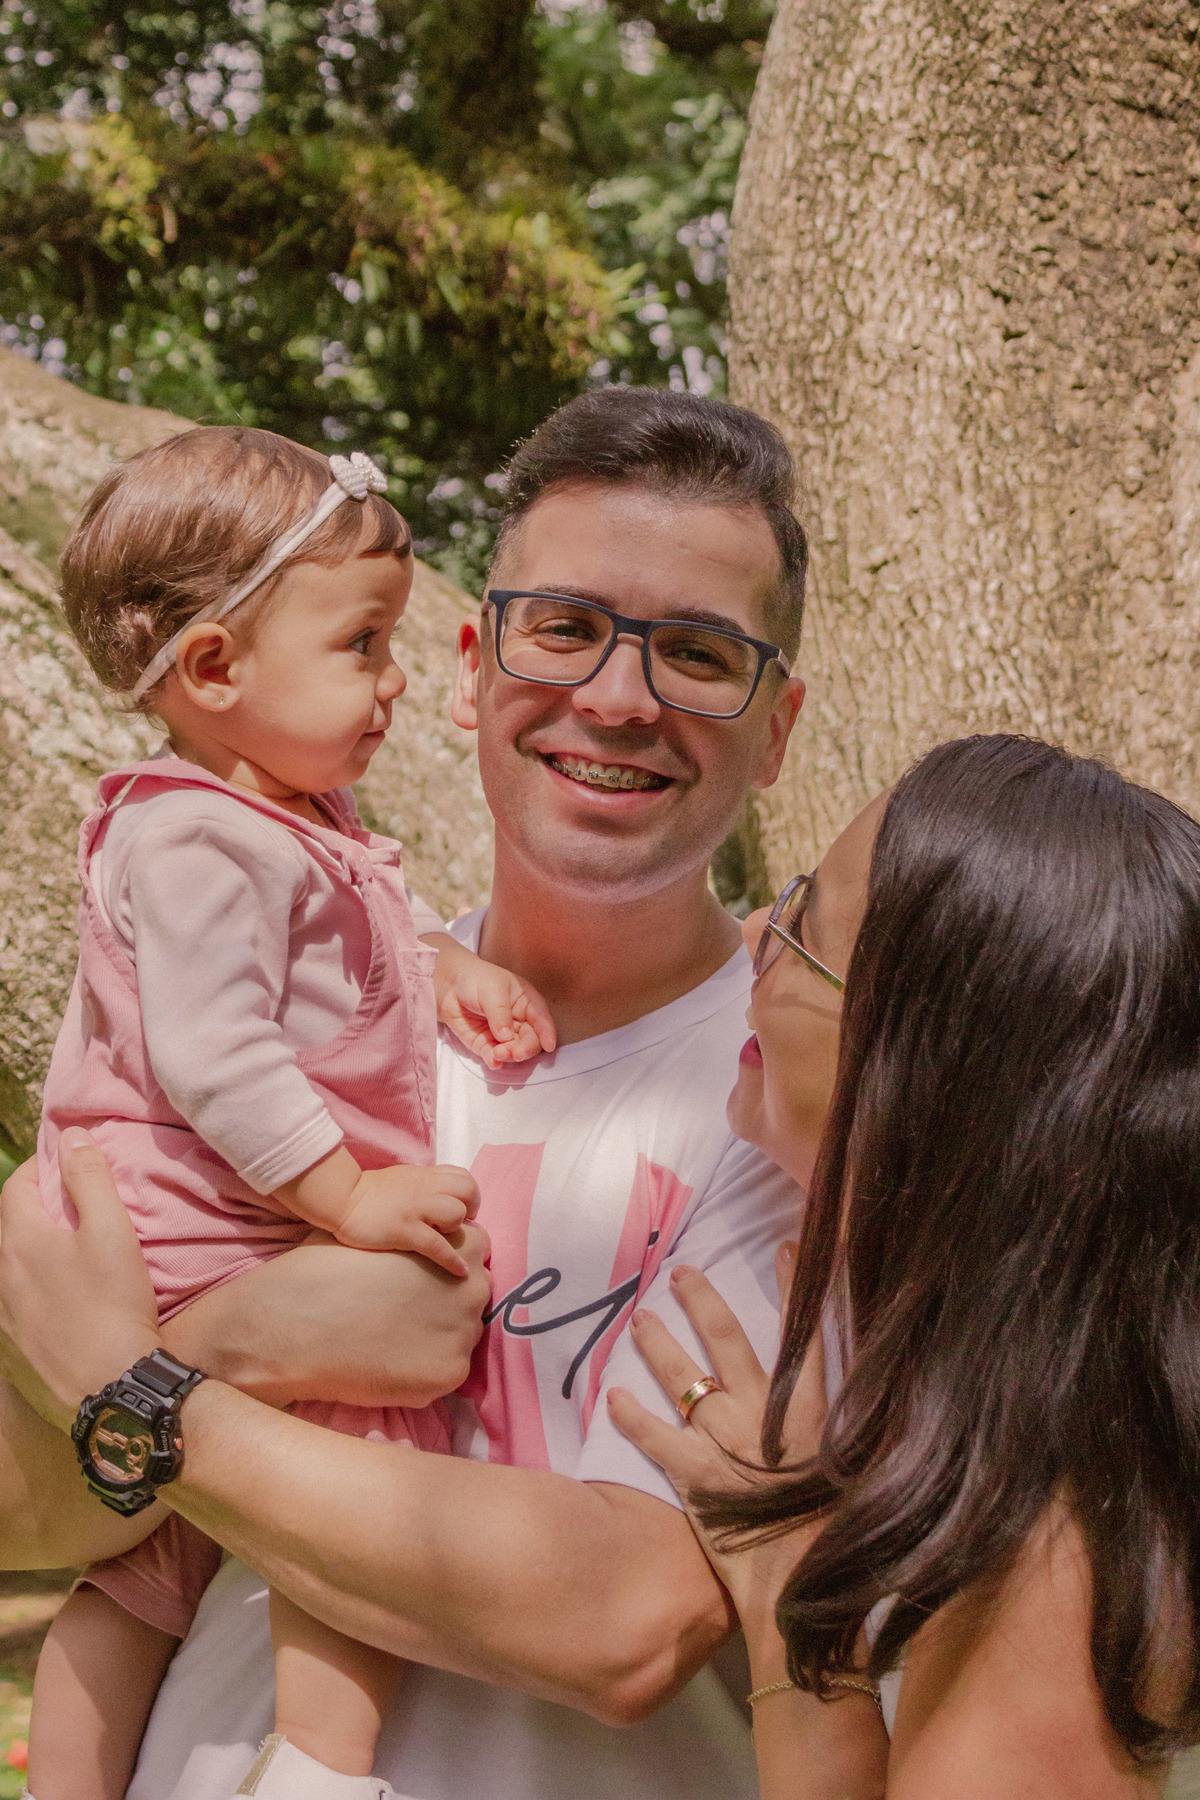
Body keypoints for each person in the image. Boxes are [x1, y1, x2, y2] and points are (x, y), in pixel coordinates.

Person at [0, 387, 808, 1800]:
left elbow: (634, 1620)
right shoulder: (296, 1013)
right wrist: (241, 1337)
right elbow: (22, 1515)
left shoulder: (809, 1101)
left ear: (779, 727)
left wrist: (149, 1384)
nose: (619, 697)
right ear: (465, 668)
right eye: (566, 629)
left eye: (696, 652)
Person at [28, 425, 556, 1800]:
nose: (393, 679)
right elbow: (218, 1057)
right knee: (359, 1456)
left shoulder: (282, 818)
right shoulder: (203, 838)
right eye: (364, 643)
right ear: (214, 669)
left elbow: (345, 960)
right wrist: (351, 1199)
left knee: (143, 1569)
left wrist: (450, 966)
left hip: (176, 1239)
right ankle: (328, 1766)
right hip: (198, 1226)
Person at [611, 733, 1200, 1799]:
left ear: (932, 1073)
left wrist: (792, 1585)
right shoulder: (1058, 1422)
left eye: (807, 929)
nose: (756, 938)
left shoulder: (1053, 1557)